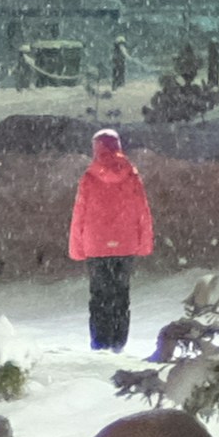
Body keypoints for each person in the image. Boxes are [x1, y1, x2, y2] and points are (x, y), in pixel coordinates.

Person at [67, 125, 156, 351]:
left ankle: (99, 342)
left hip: (95, 246)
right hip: (126, 245)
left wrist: (77, 247)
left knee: (99, 296)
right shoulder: (131, 175)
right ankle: (118, 342)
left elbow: (79, 214)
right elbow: (142, 212)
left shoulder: (88, 177)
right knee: (120, 294)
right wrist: (144, 243)